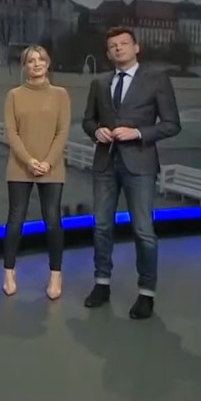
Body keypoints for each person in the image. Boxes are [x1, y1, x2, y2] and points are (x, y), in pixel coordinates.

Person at [81, 26, 181, 320]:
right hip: (105, 164)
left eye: (124, 43)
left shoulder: (157, 80)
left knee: (143, 230)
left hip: (140, 164)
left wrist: (138, 132)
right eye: (113, 45)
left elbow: (172, 124)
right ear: (108, 52)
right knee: (101, 227)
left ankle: (146, 293)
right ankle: (102, 283)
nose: (118, 48)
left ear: (136, 48)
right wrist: (96, 131)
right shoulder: (100, 82)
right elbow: (88, 120)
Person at [2, 45, 71, 301]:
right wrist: (29, 161)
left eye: (41, 59)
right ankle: (8, 272)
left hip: (52, 167)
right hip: (20, 166)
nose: (36, 64)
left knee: (52, 220)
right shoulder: (14, 95)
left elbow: (62, 132)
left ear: (48, 63)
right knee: (15, 220)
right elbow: (12, 133)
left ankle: (55, 274)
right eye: (31, 61)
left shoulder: (61, 94)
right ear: (24, 66)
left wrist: (48, 162)